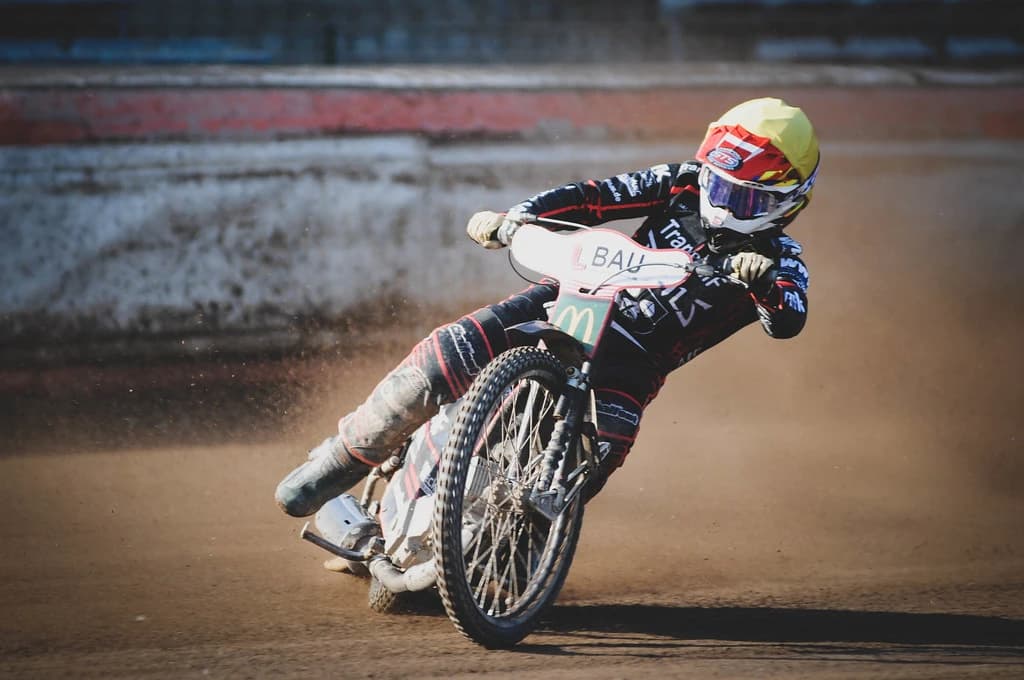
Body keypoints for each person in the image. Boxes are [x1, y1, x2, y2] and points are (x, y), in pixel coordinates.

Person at [275, 97, 819, 517]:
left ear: (791, 199)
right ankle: (347, 455)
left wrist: (764, 284)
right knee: (447, 354)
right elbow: (595, 197)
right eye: (717, 185)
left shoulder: (783, 258)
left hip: (633, 365)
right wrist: (518, 217)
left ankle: (513, 552)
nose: (721, 203)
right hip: (573, 298)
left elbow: (789, 318)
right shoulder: (681, 182)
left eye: (744, 196)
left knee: (590, 466)